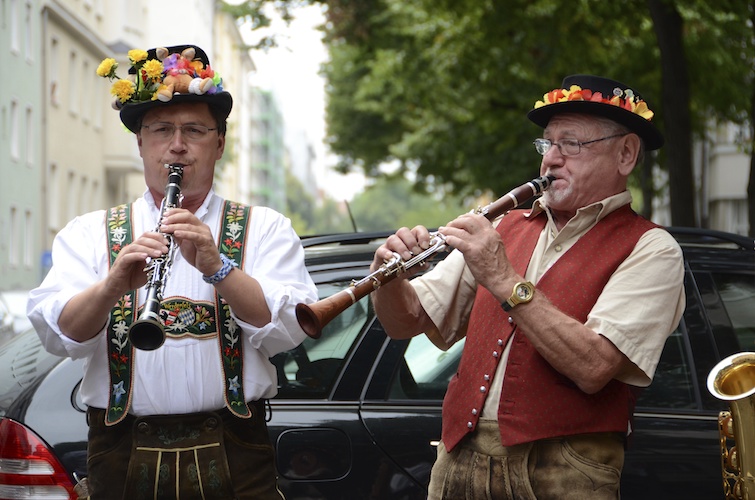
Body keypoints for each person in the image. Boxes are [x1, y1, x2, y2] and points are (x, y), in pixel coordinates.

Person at [370, 74, 685, 499]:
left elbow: (594, 367)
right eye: (547, 144)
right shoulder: (504, 225)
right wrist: (386, 276)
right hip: (460, 458)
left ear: (626, 153)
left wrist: (501, 277)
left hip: (564, 468)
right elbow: (405, 322)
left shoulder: (652, 248)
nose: (550, 160)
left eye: (570, 144)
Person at [27, 45, 317, 499]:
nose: (177, 145)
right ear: (141, 143)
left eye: (194, 130)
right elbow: (60, 336)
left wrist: (219, 266)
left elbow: (287, 330)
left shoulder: (265, 228)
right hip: (121, 453)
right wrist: (111, 288)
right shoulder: (88, 233)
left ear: (219, 144)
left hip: (236, 450)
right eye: (161, 129)